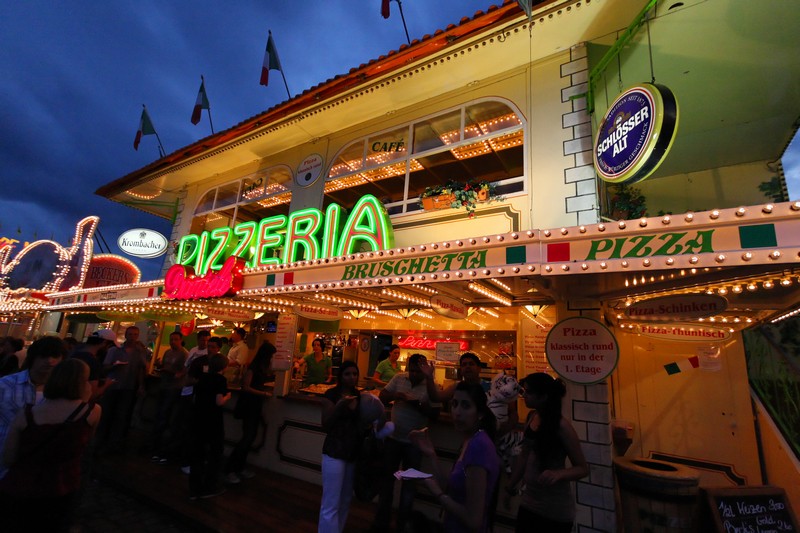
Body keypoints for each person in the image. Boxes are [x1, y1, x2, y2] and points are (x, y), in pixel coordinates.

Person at [0, 358, 101, 532]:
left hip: (22, 486)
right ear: (82, 383)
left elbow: (8, 459)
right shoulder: (93, 412)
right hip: (62, 485)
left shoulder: (27, 414)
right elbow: (84, 443)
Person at [410, 381, 500, 533]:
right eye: (455, 404)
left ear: (480, 413)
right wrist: (431, 454)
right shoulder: (470, 440)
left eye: (466, 406)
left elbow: (474, 520)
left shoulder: (479, 446)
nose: (457, 412)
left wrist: (438, 494)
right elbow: (452, 488)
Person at [506, 373, 589, 533]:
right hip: (529, 502)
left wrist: (558, 474)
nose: (524, 395)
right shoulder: (532, 417)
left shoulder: (562, 426)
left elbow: (582, 468)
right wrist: (510, 487)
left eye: (529, 392)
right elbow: (524, 455)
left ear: (543, 396)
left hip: (554, 509)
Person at [318, 360, 386, 533]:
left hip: (353, 452)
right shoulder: (331, 395)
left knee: (346, 499)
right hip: (334, 451)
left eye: (355, 374)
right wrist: (339, 407)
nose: (352, 377)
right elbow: (325, 424)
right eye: (347, 374)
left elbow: (361, 423)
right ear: (341, 376)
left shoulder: (359, 396)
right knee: (331, 501)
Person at [374, 353, 439, 531]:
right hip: (393, 439)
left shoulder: (431, 385)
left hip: (415, 445)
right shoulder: (399, 378)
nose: (414, 374)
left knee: (409, 486)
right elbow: (382, 397)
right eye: (412, 370)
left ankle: (402, 526)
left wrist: (416, 404)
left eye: (418, 371)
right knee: (387, 483)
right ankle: (381, 524)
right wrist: (396, 395)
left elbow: (435, 415)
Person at [0, 335, 67, 477]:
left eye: (55, 356)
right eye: (43, 356)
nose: (49, 361)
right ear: (33, 358)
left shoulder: (64, 392)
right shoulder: (6, 385)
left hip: (39, 464)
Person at [225, 340, 275, 484]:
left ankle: (239, 467)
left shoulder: (261, 367)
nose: (271, 358)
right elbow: (246, 387)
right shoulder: (253, 368)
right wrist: (262, 393)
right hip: (249, 404)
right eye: (271, 356)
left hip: (254, 404)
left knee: (250, 437)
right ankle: (230, 469)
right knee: (247, 437)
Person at [96, 325, 148, 453]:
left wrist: (141, 385)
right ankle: (100, 441)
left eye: (135, 335)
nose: (133, 337)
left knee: (121, 415)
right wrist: (114, 366)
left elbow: (142, 369)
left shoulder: (139, 352)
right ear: (125, 335)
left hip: (128, 387)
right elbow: (104, 368)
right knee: (106, 414)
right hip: (112, 386)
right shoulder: (114, 350)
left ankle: (114, 443)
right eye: (130, 334)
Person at [189, 352, 231, 500]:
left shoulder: (203, 378)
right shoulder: (221, 380)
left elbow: (195, 397)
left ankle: (194, 488)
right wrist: (227, 396)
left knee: (198, 453)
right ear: (224, 367)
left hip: (199, 418)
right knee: (215, 452)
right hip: (213, 420)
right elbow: (219, 401)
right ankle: (210, 486)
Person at [150, 331, 188, 463]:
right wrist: (160, 365)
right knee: (159, 414)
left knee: (165, 415)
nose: (173, 342)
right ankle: (156, 443)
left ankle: (160, 445)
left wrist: (169, 371)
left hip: (174, 388)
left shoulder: (184, 354)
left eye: (175, 339)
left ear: (181, 340)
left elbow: (182, 373)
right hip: (164, 386)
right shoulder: (167, 352)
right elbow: (165, 366)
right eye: (171, 339)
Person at [177, 330, 210, 473]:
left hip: (196, 394)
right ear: (198, 340)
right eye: (203, 340)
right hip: (188, 392)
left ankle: (189, 457)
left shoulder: (209, 358)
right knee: (186, 425)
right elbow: (186, 367)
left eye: (208, 341)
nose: (206, 343)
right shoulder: (194, 352)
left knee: (191, 426)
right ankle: (184, 457)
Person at [70, 333, 115, 400]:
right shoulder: (93, 362)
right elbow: (93, 394)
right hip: (80, 401)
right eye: (110, 346)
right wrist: (107, 384)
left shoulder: (73, 354)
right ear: (104, 343)